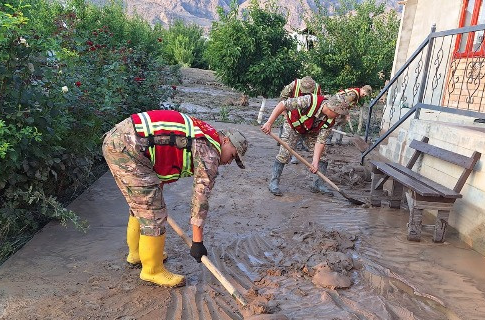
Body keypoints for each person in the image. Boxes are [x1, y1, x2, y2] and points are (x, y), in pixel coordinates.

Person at [102, 110, 248, 287]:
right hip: (129, 147)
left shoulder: (205, 134)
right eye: (232, 155)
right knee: (153, 212)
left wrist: (156, 186)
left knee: (143, 205)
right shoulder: (210, 153)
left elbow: (163, 148)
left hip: (123, 141)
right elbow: (200, 199)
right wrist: (197, 241)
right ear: (225, 141)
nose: (229, 162)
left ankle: (138, 254)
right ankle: (152, 270)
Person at [260, 92, 350, 197]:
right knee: (284, 153)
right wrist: (269, 123)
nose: (338, 116)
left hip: (311, 131)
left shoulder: (330, 120)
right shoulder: (309, 101)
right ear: (332, 108)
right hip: (293, 126)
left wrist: (315, 162)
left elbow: (320, 141)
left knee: (322, 157)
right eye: (338, 113)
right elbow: (283, 104)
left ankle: (318, 185)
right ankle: (273, 182)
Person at [279, 76, 322, 161]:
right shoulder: (294, 85)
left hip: (308, 119)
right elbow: (282, 99)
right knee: (286, 146)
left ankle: (317, 163)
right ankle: (290, 157)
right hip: (292, 117)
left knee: (319, 151)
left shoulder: (317, 88)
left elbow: (320, 104)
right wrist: (284, 114)